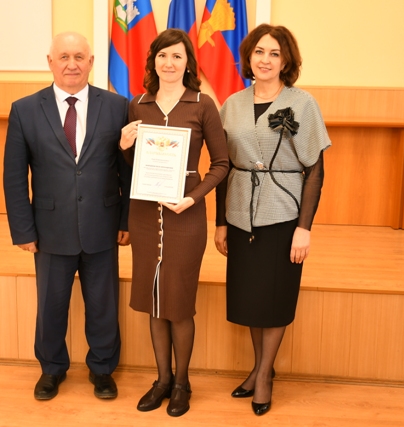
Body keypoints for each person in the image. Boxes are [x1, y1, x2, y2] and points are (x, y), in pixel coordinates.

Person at [3, 32, 131, 402]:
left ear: (91, 62)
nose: (71, 64)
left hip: (103, 225)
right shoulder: (25, 110)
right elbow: (14, 177)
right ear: (50, 62)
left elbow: (126, 170)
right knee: (51, 305)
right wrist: (23, 230)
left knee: (103, 305)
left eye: (79, 56)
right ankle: (51, 368)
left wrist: (125, 221)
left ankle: (102, 369)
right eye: (63, 57)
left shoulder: (117, 106)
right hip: (49, 229)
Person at [214, 24, 331, 416]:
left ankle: (264, 375)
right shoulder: (231, 104)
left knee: (275, 297)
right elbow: (222, 166)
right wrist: (220, 222)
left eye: (274, 54)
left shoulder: (302, 103)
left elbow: (315, 170)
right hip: (240, 213)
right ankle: (258, 366)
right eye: (259, 52)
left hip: (283, 214)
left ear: (286, 61)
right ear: (248, 57)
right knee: (252, 298)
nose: (265, 60)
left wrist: (304, 228)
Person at [119, 29, 228, 417]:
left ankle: (182, 383)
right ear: (153, 61)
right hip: (145, 217)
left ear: (188, 63)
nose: (169, 63)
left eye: (177, 56)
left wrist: (193, 198)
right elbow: (135, 167)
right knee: (154, 300)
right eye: (162, 55)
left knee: (178, 304)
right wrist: (124, 147)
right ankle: (162, 380)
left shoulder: (203, 104)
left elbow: (222, 164)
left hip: (186, 215)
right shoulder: (138, 105)